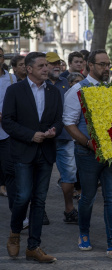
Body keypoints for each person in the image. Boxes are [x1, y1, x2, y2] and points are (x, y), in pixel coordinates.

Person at [63, 49, 112, 261]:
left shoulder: (111, 89)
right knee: (88, 197)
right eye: (102, 64)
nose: (106, 68)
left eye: (108, 64)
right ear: (90, 65)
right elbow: (68, 122)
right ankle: (83, 233)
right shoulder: (76, 90)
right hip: (87, 154)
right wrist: (88, 143)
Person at [2, 52, 63, 262]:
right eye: (41, 66)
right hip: (22, 151)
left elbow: (59, 120)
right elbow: (7, 121)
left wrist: (54, 130)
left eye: (47, 65)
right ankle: (15, 233)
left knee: (39, 200)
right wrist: (30, 135)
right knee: (23, 196)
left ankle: (33, 247)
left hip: (45, 152)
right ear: (29, 69)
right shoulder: (15, 90)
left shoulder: (54, 92)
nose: (46, 69)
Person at [46, 52, 78, 224]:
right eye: (52, 63)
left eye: (58, 62)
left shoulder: (65, 82)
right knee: (42, 176)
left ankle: (69, 209)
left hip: (65, 136)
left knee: (69, 174)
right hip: (44, 138)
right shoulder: (39, 83)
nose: (56, 66)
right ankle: (40, 210)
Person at [0, 47, 17, 202]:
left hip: (6, 131)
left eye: (1, 56)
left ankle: (14, 206)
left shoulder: (11, 79)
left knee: (9, 168)